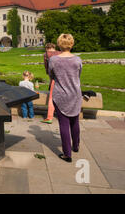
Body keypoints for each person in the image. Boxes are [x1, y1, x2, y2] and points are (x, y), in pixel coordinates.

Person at [48, 34, 82, 163]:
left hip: (61, 94)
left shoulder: (54, 60)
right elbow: (78, 75)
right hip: (75, 94)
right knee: (75, 121)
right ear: (71, 44)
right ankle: (76, 146)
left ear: (59, 44)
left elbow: (51, 75)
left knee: (64, 124)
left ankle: (67, 154)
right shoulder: (77, 60)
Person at [41, 43, 62, 124]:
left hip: (54, 78)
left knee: (51, 98)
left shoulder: (46, 54)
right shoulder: (60, 53)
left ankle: (49, 117)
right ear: (54, 47)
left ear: (46, 48)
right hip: (64, 78)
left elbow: (47, 69)